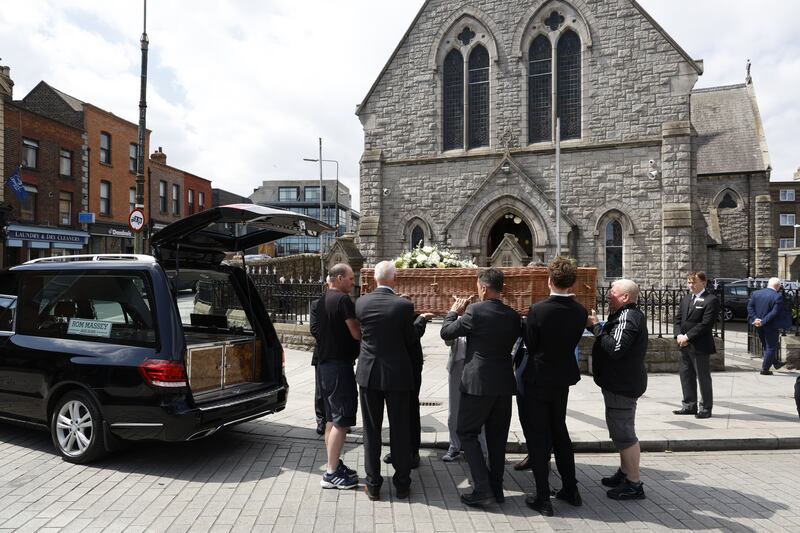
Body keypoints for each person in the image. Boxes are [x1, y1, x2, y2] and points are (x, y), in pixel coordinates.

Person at [440, 268, 521, 507]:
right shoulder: (512, 314)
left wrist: (454, 312)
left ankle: (483, 487)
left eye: (478, 287)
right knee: (497, 439)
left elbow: (447, 331)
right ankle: (496, 490)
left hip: (478, 384)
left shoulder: (474, 310)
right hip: (504, 383)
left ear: (484, 288)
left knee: (466, 432)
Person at [522, 257, 588, 516]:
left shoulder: (538, 310)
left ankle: (542, 497)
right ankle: (571, 489)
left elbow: (531, 344)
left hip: (538, 378)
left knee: (539, 436)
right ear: (572, 281)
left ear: (549, 280)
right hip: (562, 378)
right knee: (560, 431)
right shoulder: (581, 311)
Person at [356, 261, 420, 501]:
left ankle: (373, 485)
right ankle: (402, 484)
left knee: (371, 430)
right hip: (397, 374)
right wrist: (420, 322)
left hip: (369, 373)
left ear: (374, 279)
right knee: (400, 429)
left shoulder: (361, 303)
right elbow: (410, 339)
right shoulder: (404, 306)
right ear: (394, 278)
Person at [588, 279, 648, 500]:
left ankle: (634, 483)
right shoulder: (623, 315)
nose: (608, 294)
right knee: (619, 431)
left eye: (613, 292)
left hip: (622, 384)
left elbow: (616, 348)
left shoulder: (629, 316)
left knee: (624, 433)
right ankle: (624, 472)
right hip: (618, 383)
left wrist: (596, 328)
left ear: (625, 297)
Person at [314, 264, 361, 490]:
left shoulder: (321, 300)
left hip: (324, 365)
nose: (354, 283)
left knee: (331, 420)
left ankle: (333, 464)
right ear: (339, 278)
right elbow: (356, 333)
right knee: (341, 421)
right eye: (351, 279)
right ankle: (331, 473)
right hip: (339, 365)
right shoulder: (343, 301)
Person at [383, 298, 432, 468]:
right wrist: (422, 319)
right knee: (396, 411)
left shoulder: (413, 316)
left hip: (411, 368)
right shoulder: (394, 316)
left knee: (411, 409)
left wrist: (421, 318)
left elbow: (414, 334)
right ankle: (397, 450)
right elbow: (411, 334)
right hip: (396, 368)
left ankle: (412, 451)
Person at [673, 271, 719, 419]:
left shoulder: (710, 300)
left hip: (699, 345)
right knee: (686, 375)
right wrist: (679, 334)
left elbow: (706, 324)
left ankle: (705, 408)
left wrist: (687, 336)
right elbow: (678, 319)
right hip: (684, 344)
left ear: (703, 283)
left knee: (703, 377)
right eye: (689, 282)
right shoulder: (686, 299)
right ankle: (689, 405)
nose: (690, 285)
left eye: (694, 282)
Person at [442, 332, 488, 462]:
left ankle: (481, 449)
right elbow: (447, 340)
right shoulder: (456, 314)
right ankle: (454, 446)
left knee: (479, 408)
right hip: (457, 363)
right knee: (454, 408)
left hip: (478, 364)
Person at [748, 278, 788, 375]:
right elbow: (774, 313)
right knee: (770, 347)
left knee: (766, 346)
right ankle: (765, 369)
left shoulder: (756, 293)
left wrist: (755, 319)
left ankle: (776, 363)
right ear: (778, 286)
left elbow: (750, 307)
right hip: (770, 325)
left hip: (758, 324)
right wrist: (762, 321)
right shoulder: (777, 297)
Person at [309, 275, 333, 435]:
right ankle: (321, 420)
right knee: (320, 391)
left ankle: (336, 419)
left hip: (341, 355)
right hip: (323, 353)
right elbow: (314, 329)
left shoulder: (346, 303)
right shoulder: (316, 304)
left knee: (337, 390)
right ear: (327, 285)